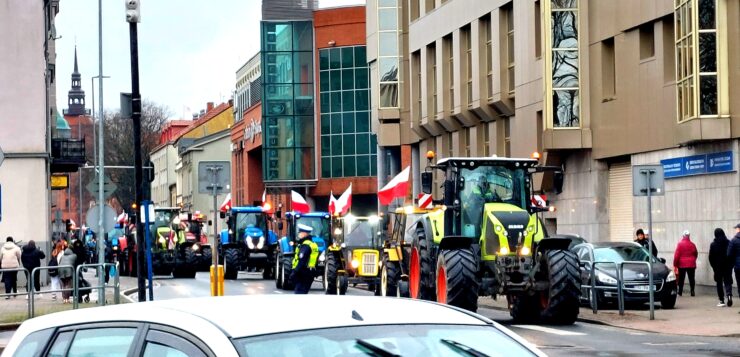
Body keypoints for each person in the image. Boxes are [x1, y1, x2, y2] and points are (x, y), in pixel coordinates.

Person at [290, 224, 319, 294]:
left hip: (303, 273)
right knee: (303, 293)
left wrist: (294, 272)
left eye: (300, 233)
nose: (299, 234)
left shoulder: (305, 245)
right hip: (309, 272)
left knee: (299, 293)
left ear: (304, 234)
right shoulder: (312, 244)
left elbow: (302, 260)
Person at [709, 228, 733, 307]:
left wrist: (714, 267)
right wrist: (731, 265)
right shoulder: (729, 243)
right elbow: (731, 255)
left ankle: (722, 300)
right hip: (727, 266)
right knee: (728, 281)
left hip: (718, 267)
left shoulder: (713, 244)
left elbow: (711, 258)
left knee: (719, 283)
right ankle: (729, 295)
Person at [674, 230, 698, 296]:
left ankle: (680, 292)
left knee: (681, 278)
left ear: (683, 236)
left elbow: (677, 255)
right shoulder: (692, 244)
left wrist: (675, 264)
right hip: (691, 264)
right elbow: (696, 253)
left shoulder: (680, 244)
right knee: (691, 278)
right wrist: (693, 260)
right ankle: (692, 291)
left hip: (682, 265)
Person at [727, 223, 740, 313]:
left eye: (736, 228)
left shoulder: (734, 240)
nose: (735, 230)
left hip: (738, 267)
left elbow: (729, 254)